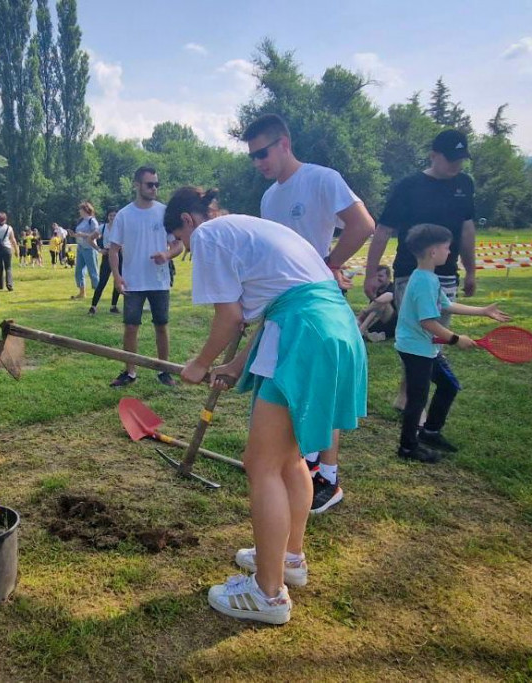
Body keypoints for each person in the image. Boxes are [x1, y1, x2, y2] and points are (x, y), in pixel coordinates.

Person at [166, 186, 367, 625]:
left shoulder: (209, 234)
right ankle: (289, 558)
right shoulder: (252, 230)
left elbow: (231, 317)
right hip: (329, 328)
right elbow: (278, 304)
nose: (185, 250)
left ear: (186, 222)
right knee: (290, 459)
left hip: (303, 333)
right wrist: (236, 364)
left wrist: (200, 363)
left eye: (178, 241)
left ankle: (268, 593)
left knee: (262, 465)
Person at [244, 113, 375, 514]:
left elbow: (363, 224)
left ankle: (328, 477)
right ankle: (296, 462)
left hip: (316, 303)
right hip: (285, 306)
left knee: (322, 386)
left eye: (262, 152)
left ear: (284, 143)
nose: (258, 162)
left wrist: (329, 263)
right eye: (252, 157)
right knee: (287, 386)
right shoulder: (269, 197)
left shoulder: (322, 178)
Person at [365, 129, 477, 410]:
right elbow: (383, 231)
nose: (456, 165)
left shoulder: (465, 184)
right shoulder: (409, 186)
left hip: (447, 274)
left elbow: (467, 230)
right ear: (433, 155)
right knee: (417, 334)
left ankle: (410, 394)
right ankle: (413, 399)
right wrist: (369, 273)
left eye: (461, 159)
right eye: (451, 159)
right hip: (409, 274)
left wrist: (471, 270)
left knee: (433, 337)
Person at [394, 223, 509, 463]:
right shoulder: (424, 282)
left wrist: (483, 311)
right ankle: (407, 447)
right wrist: (457, 339)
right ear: (433, 251)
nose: (450, 253)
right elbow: (428, 322)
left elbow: (446, 305)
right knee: (418, 399)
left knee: (448, 386)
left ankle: (430, 432)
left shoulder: (428, 278)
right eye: (447, 248)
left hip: (425, 347)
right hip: (416, 349)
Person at [108, 166, 183, 388]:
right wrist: (117, 277)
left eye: (156, 184)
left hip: (159, 281)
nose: (154, 188)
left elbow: (178, 244)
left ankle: (164, 370)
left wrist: (167, 254)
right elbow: (113, 249)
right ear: (137, 185)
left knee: (162, 325)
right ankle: (130, 372)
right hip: (133, 281)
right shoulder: (124, 215)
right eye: (150, 184)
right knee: (131, 326)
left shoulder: (164, 212)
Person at [89, 207, 121, 315]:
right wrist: (99, 249)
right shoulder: (102, 227)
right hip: (107, 254)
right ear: (107, 216)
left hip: (119, 254)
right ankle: (93, 306)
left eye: (115, 215)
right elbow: (90, 239)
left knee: (117, 280)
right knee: (102, 281)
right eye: (111, 215)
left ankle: (113, 306)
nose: (112, 217)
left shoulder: (121, 227)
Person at [358, 265, 397, 341]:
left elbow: (387, 297)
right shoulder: (377, 289)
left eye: (380, 276)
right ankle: (362, 330)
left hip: (392, 323)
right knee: (378, 307)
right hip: (377, 322)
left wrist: (364, 312)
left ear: (388, 277)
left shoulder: (393, 287)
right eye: (375, 276)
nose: (377, 279)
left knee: (383, 304)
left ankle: (360, 327)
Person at [71, 201, 101, 299]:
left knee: (93, 271)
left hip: (90, 248)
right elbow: (79, 233)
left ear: (85, 210)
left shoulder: (92, 221)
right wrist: (74, 235)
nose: (79, 211)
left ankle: (97, 293)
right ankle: (82, 292)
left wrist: (83, 235)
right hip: (80, 247)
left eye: (81, 209)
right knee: (79, 271)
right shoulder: (81, 221)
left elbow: (98, 235)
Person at [0, 212, 17, 291]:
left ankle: (0, 285)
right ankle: (9, 284)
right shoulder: (9, 228)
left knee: (0, 267)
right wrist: (16, 250)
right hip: (7, 248)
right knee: (8, 267)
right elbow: (13, 239)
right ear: (5, 219)